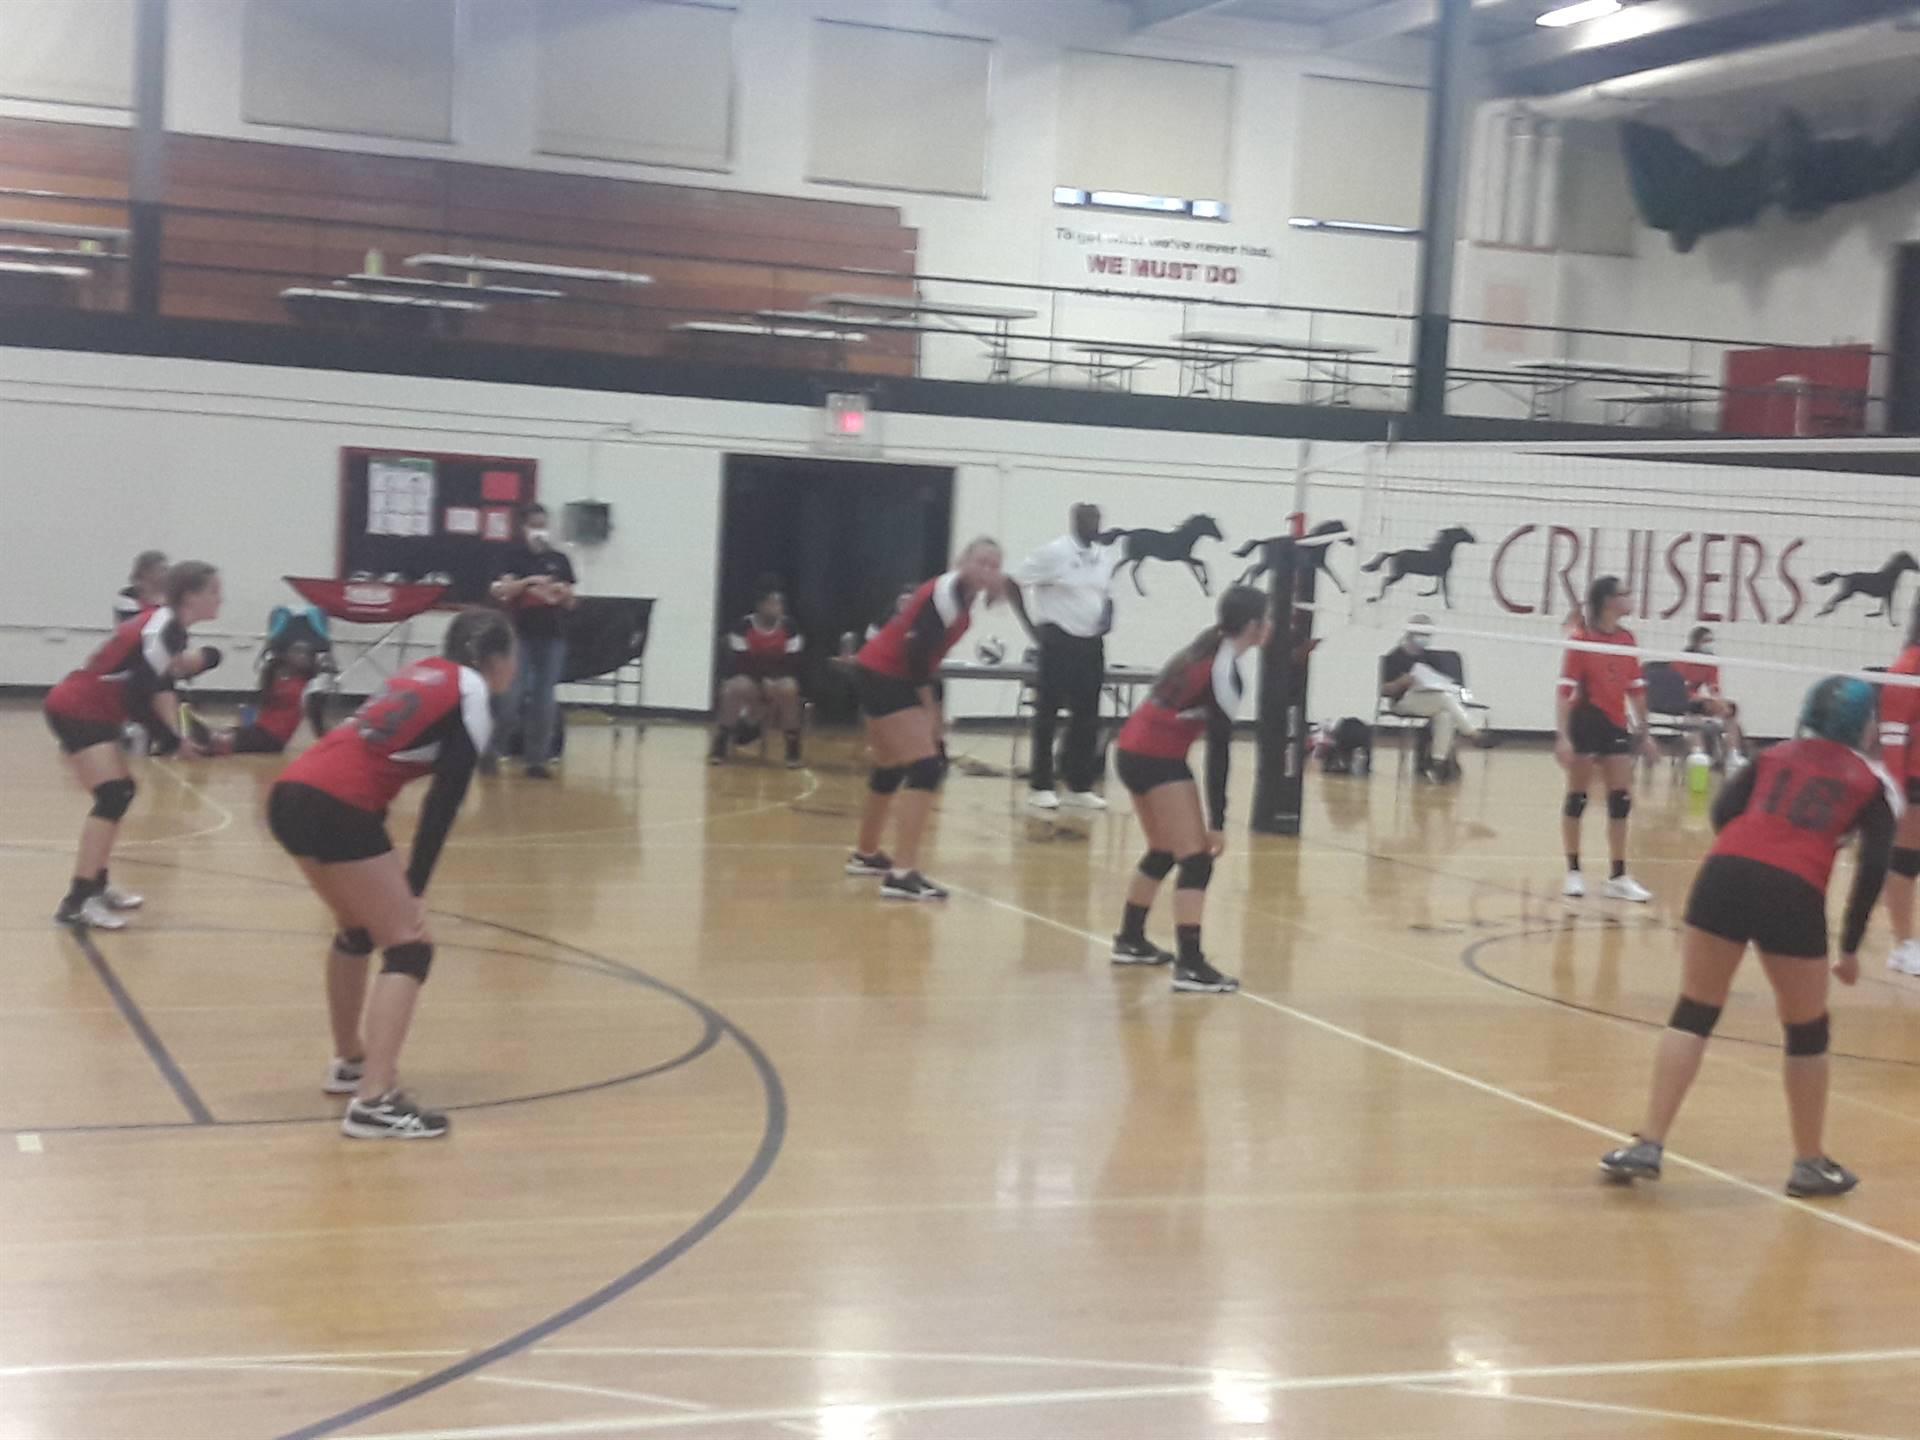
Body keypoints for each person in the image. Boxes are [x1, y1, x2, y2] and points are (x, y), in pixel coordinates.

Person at [1599, 676, 1896, 1199]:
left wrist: (1750, 854)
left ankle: (1649, 1143)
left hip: (1725, 872)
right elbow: (1874, 870)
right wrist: (1850, 948)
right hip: (1794, 889)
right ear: (1863, 724)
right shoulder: (1871, 783)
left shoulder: (1774, 755)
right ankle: (1809, 1163)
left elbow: (1722, 813)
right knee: (1807, 1031)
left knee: (1694, 1010)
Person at [267, 609, 517, 1140]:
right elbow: (444, 801)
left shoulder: (423, 673)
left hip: (293, 791)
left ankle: (351, 1061)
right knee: (409, 948)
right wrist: (415, 889)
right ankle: (374, 1100)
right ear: (494, 660)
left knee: (356, 930)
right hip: (337, 802)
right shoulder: (471, 691)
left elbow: (376, 754)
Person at [44, 561, 224, 929]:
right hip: (78, 708)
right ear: (190, 596)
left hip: (92, 710)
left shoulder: (167, 626)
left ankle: (96, 884)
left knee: (119, 792)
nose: (220, 599)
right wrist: (172, 741)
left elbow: (154, 687)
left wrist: (177, 736)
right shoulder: (164, 629)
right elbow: (139, 694)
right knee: (113, 795)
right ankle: (78, 901)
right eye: (214, 592)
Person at [1109, 584, 1270, 994]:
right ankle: (1191, 964)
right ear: (1253, 626)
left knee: (1164, 849)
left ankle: (1130, 940)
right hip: (1155, 756)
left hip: (1131, 749)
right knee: (1196, 859)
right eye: (1266, 619)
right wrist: (1217, 821)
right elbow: (1218, 751)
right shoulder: (1225, 668)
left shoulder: (1208, 648)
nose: (1270, 626)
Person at [847, 539, 1007, 901]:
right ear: (961, 560)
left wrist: (1000, 590)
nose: (988, 570)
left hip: (881, 670)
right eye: (981, 562)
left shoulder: (964, 595)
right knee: (925, 767)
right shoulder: (945, 596)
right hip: (888, 674)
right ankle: (902, 873)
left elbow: (922, 658)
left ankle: (866, 854)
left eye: (995, 565)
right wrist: (933, 713)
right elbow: (917, 657)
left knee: (889, 766)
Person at [1008, 503, 1122, 812]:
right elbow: (1013, 582)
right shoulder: (1054, 553)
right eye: (1088, 519)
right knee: (1047, 713)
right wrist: (1032, 627)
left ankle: (1079, 785)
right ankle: (1041, 785)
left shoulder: (1103, 557)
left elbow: (1106, 595)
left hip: (1091, 644)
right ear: (1074, 521)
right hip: (1058, 640)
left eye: (1097, 519)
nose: (1094, 524)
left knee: (1087, 717)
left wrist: (1108, 617)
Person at [1557, 575, 1658, 902]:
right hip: (1585, 721)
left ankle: (1618, 876)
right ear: (1608, 601)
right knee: (1578, 797)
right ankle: (1573, 871)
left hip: (1615, 723)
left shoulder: (1628, 639)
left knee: (1620, 800)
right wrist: (1563, 737)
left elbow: (1637, 691)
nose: (1630, 598)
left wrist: (1645, 732)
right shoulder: (1582, 639)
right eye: (1624, 594)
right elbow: (1564, 691)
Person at [489, 502, 576, 779]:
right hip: (520, 634)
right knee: (511, 694)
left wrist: (561, 593)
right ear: (523, 527)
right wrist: (528, 582)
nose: (540, 531)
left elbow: (571, 601)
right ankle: (494, 749)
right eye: (535, 525)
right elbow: (504, 591)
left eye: (544, 525)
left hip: (552, 636)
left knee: (544, 698)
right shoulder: (512, 556)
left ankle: (537, 759)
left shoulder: (560, 559)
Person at [1377, 613, 1490, 782]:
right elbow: (1384, 690)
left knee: (1445, 714)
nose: (1425, 638)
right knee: (1444, 700)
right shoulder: (1395, 657)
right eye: (1421, 634)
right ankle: (1473, 733)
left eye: (1427, 634)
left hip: (1430, 698)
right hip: (1403, 701)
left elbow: (1443, 682)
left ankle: (1437, 763)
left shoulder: (1431, 658)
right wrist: (1401, 682)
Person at [712, 580, 805, 769]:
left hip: (778, 680)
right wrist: (762, 681)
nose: (778, 608)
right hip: (751, 679)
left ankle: (793, 747)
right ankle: (721, 742)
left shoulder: (790, 627)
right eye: (773, 603)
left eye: (780, 604)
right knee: (734, 687)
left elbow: (792, 661)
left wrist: (773, 680)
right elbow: (741, 661)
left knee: (789, 689)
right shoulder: (743, 626)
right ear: (761, 606)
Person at [185, 640, 329, 756]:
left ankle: (209, 741)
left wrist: (326, 743)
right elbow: (261, 704)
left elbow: (316, 718)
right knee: (230, 731)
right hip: (260, 728)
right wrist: (246, 720)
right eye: (296, 652)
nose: (301, 656)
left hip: (274, 738)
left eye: (306, 654)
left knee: (226, 739)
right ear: (287, 655)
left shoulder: (310, 686)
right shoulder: (278, 677)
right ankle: (205, 737)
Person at [1876, 600, 1920, 976]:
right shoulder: (1908, 669)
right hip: (1915, 781)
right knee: (1906, 860)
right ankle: (1904, 945)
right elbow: (1892, 737)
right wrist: (1898, 792)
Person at [1673, 625, 1746, 767]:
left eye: (1711, 640)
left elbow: (1713, 686)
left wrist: (1719, 702)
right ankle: (1698, 752)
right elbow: (1680, 688)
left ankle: (1733, 753)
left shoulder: (1710, 661)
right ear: (1696, 642)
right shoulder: (1682, 660)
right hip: (1680, 699)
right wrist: (1701, 698)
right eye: (1706, 640)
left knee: (1730, 709)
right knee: (1695, 710)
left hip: (1699, 699)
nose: (1710, 644)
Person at [114, 550, 168, 626]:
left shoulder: (170, 596)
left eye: (166, 569)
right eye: (161, 570)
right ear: (145, 572)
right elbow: (130, 625)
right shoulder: (128, 595)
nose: (166, 574)